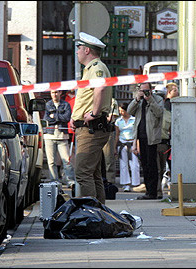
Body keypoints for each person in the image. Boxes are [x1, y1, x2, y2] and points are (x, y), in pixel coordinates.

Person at [69, 32, 113, 204]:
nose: (77, 51)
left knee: (82, 173)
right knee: (93, 174)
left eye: (79, 48)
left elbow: (100, 89)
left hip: (91, 129)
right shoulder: (91, 69)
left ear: (87, 50)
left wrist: (94, 113)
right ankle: (99, 212)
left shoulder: (96, 68)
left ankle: (89, 212)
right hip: (88, 128)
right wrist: (76, 117)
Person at [127, 82, 164, 199]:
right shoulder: (139, 101)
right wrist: (137, 99)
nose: (144, 93)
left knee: (152, 165)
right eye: (142, 91)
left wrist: (150, 100)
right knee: (145, 165)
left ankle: (153, 192)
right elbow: (129, 111)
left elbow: (159, 113)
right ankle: (148, 191)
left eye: (146, 90)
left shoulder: (157, 99)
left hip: (152, 137)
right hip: (141, 136)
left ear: (151, 90)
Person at [43, 90, 75, 187]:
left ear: (60, 93)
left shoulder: (66, 105)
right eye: (53, 92)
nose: (55, 94)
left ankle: (70, 180)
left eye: (56, 92)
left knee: (66, 160)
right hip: (49, 135)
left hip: (62, 135)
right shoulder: (48, 104)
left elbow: (67, 118)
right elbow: (46, 118)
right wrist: (58, 117)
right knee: (51, 161)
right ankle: (54, 180)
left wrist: (54, 116)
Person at [157, 82, 179, 197]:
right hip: (159, 141)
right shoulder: (164, 106)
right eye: (175, 90)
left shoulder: (172, 107)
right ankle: (158, 190)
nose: (178, 92)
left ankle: (168, 185)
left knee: (168, 166)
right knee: (159, 168)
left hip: (167, 142)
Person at [114, 102, 141, 192]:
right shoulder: (118, 121)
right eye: (120, 111)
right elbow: (117, 135)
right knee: (123, 165)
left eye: (122, 111)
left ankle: (135, 183)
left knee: (135, 165)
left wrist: (137, 146)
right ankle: (126, 184)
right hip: (122, 143)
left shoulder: (134, 120)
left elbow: (137, 134)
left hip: (132, 142)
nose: (121, 112)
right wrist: (115, 147)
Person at [102, 97, 119, 182]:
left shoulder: (112, 101)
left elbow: (111, 118)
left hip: (106, 130)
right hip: (92, 132)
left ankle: (109, 182)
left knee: (108, 159)